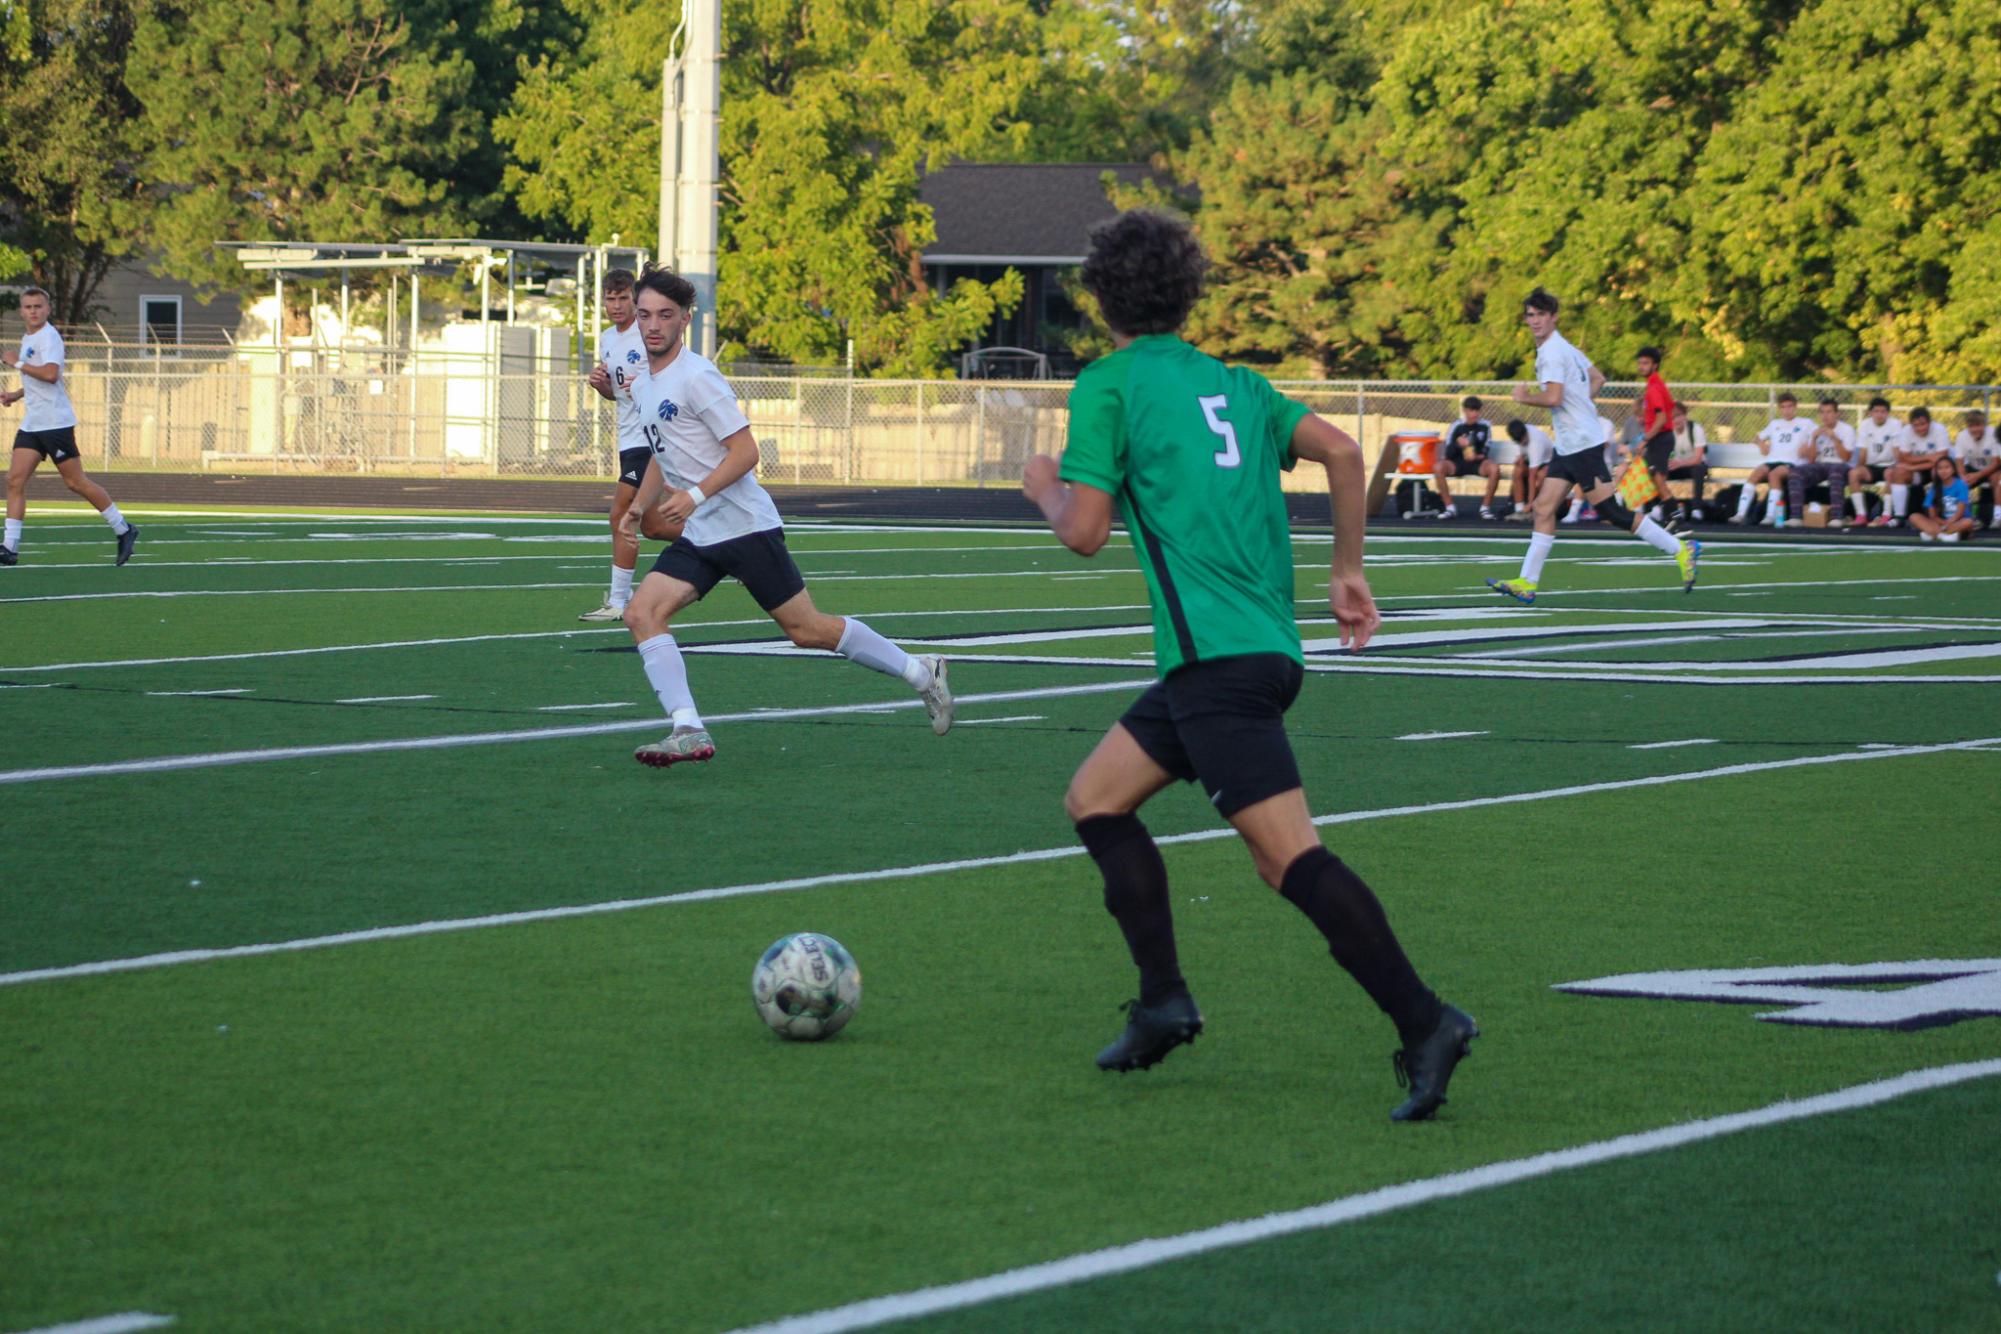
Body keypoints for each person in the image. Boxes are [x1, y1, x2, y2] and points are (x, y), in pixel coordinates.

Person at [1020, 210, 1476, 1122]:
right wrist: (1347, 573)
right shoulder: (1235, 383)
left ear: (1100, 295)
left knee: (1285, 860)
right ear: (1186, 294)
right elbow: (1345, 453)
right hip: (1249, 651)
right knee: (1095, 800)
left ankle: (1426, 1020)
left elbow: (1083, 532)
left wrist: (1040, 484)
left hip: (1216, 667)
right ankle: (1162, 1001)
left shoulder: (1109, 384)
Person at [617, 269, 955, 765]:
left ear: (686, 320)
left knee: (807, 631)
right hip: (703, 532)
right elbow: (659, 456)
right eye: (644, 314)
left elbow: (746, 452)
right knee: (641, 613)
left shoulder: (698, 377)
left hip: (745, 527)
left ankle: (923, 672)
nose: (653, 325)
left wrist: (692, 494)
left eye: (665, 315)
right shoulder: (642, 386)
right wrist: (638, 507)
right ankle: (687, 727)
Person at [1488, 288, 1698, 605]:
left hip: (1582, 445)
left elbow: (1555, 398)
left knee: (1611, 513)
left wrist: (1524, 397)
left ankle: (1681, 548)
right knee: (1543, 508)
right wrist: (1580, 409)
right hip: (1571, 443)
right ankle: (1527, 583)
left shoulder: (1552, 353)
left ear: (1553, 317)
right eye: (1530, 315)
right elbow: (1598, 378)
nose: (1535, 321)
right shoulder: (1565, 348)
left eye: (1541, 315)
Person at [1, 287, 137, 566]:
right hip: (33, 423)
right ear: (22, 311)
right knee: (14, 480)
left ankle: (124, 529)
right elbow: (38, 378)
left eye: (38, 306)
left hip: (55, 423)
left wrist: (18, 363)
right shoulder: (29, 337)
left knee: (75, 482)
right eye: (28, 307)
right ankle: (9, 547)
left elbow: (51, 375)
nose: (33, 311)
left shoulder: (50, 337)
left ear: (48, 309)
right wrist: (16, 394)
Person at [578, 269, 663, 621]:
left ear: (635, 298)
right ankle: (725, 545)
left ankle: (618, 600)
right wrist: (603, 388)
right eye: (609, 299)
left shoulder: (650, 335)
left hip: (650, 436)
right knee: (654, 525)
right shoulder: (607, 339)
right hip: (628, 437)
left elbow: (665, 382)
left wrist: (643, 384)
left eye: (622, 298)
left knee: (621, 515)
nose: (615, 305)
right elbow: (617, 395)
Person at [1729, 393, 1812, 525]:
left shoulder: (1805, 423)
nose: (1786, 410)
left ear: (1795, 407)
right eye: (1783, 407)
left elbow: (1818, 435)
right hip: (1773, 460)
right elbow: (1757, 437)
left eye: (1789, 406)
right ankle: (1740, 514)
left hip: (1792, 463)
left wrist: (1808, 445)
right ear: (1780, 409)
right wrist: (1763, 444)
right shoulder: (1775, 424)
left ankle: (1770, 515)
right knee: (1756, 473)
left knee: (1774, 475)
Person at [1779, 398, 1855, 529]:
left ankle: (1837, 517)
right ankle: (1796, 517)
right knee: (1795, 472)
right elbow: (1812, 460)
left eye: (1829, 412)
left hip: (1841, 466)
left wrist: (1834, 438)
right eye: (1822, 412)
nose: (1825, 416)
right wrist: (1813, 439)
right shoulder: (1816, 430)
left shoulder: (1847, 429)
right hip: (1821, 465)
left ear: (1837, 414)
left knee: (1835, 472)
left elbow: (1846, 457)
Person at [1432, 395, 1500, 519]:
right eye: (1471, 411)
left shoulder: (1485, 425)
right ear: (1464, 411)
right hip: (1457, 463)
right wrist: (1458, 444)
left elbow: (1487, 447)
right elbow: (1448, 452)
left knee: (1495, 469)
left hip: (1477, 463)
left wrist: (1477, 456)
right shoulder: (1456, 426)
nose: (1474, 414)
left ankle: (1485, 508)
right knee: (1438, 467)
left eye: (1477, 411)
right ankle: (1450, 508)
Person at [1849, 397, 1903, 527]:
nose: (1879, 414)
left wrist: (1898, 468)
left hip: (1889, 466)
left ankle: (1886, 514)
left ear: (1887, 413)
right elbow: (1862, 451)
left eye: (1883, 411)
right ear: (1871, 412)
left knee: (1891, 473)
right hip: (1871, 467)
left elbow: (1897, 451)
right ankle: (1861, 515)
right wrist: (1859, 468)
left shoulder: (1895, 424)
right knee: (1853, 474)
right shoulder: (1865, 424)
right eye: (1876, 411)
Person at [1635, 346, 1676, 517]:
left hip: (1661, 438)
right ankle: (1664, 511)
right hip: (1659, 437)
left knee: (1658, 479)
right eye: (1640, 363)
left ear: (1655, 365)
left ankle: (1672, 513)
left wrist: (1645, 438)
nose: (1641, 367)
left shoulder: (1654, 387)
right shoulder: (1654, 384)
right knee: (1653, 477)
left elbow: (1662, 419)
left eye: (1646, 363)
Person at [1909, 455, 1975, 543]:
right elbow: (1933, 516)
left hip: (1957, 522)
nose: (1943, 471)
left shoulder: (1961, 484)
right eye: (1940, 468)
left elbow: (1960, 513)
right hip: (1940, 523)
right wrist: (1943, 523)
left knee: (1968, 522)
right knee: (1914, 517)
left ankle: (1933, 533)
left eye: (1947, 467)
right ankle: (1944, 535)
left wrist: (1949, 523)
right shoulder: (1934, 488)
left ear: (1953, 469)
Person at [1662, 400, 1708, 522]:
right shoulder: (1667, 432)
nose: (1676, 420)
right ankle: (1661, 507)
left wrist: (1680, 463)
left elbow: (1698, 458)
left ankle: (1696, 509)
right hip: (1677, 466)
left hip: (1694, 465)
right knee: (1658, 471)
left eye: (1678, 416)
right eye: (1672, 418)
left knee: (1699, 470)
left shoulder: (1696, 429)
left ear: (1685, 416)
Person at [1951, 410, 1998, 529]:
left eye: (1978, 425)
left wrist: (1977, 475)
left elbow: (1996, 462)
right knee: (1956, 481)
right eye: (1971, 426)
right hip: (1973, 468)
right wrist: (1962, 477)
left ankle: (1998, 517)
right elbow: (1959, 461)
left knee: (1996, 478)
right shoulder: (1962, 436)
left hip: (1993, 468)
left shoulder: (1994, 434)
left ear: (1984, 425)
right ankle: (1961, 516)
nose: (1975, 429)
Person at [1503, 418, 1552, 521]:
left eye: (1523, 440)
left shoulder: (1536, 444)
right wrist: (1521, 457)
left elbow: (1531, 477)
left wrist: (1530, 504)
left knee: (1540, 477)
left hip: (1547, 463)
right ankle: (1519, 509)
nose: (1522, 443)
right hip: (1531, 461)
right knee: (1518, 470)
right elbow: (1524, 453)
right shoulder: (1520, 432)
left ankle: (1534, 508)